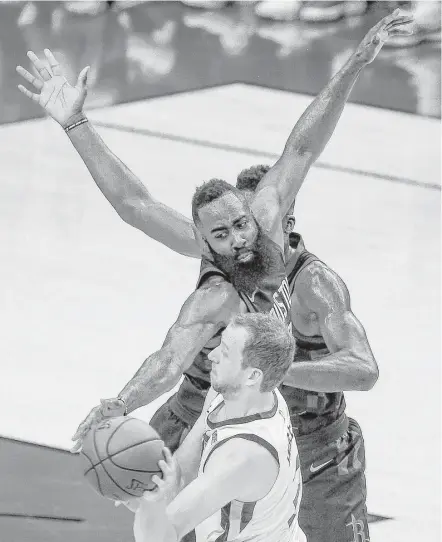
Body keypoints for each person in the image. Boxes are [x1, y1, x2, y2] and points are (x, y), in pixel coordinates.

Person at [128, 313, 306, 542]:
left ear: (252, 375)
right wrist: (155, 490)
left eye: (225, 353)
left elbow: (160, 537)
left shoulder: (242, 457)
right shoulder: (248, 395)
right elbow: (184, 471)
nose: (211, 356)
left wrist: (150, 507)